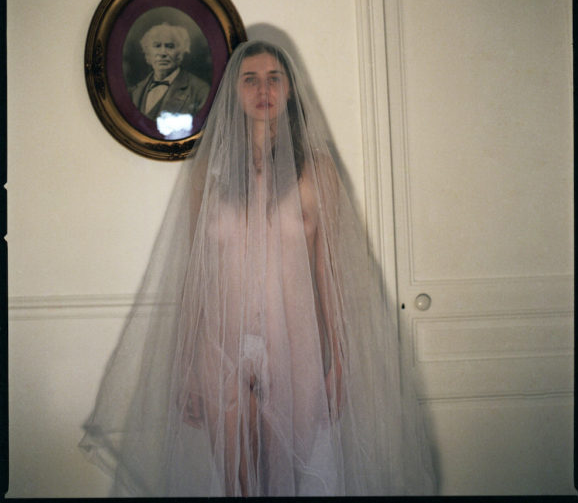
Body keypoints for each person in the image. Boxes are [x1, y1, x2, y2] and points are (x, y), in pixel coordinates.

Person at [80, 40, 436, 496]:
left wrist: (339, 359)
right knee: (238, 483)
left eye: (274, 79)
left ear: (290, 90)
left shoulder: (318, 172)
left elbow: (329, 273)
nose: (263, 89)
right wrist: (186, 364)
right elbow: (195, 276)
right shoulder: (207, 174)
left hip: (297, 345)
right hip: (219, 344)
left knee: (285, 476)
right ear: (235, 92)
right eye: (250, 79)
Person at [130, 22, 210, 138]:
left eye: (170, 46)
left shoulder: (200, 91)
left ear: (181, 53)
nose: (163, 53)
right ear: (148, 53)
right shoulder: (134, 91)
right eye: (157, 46)